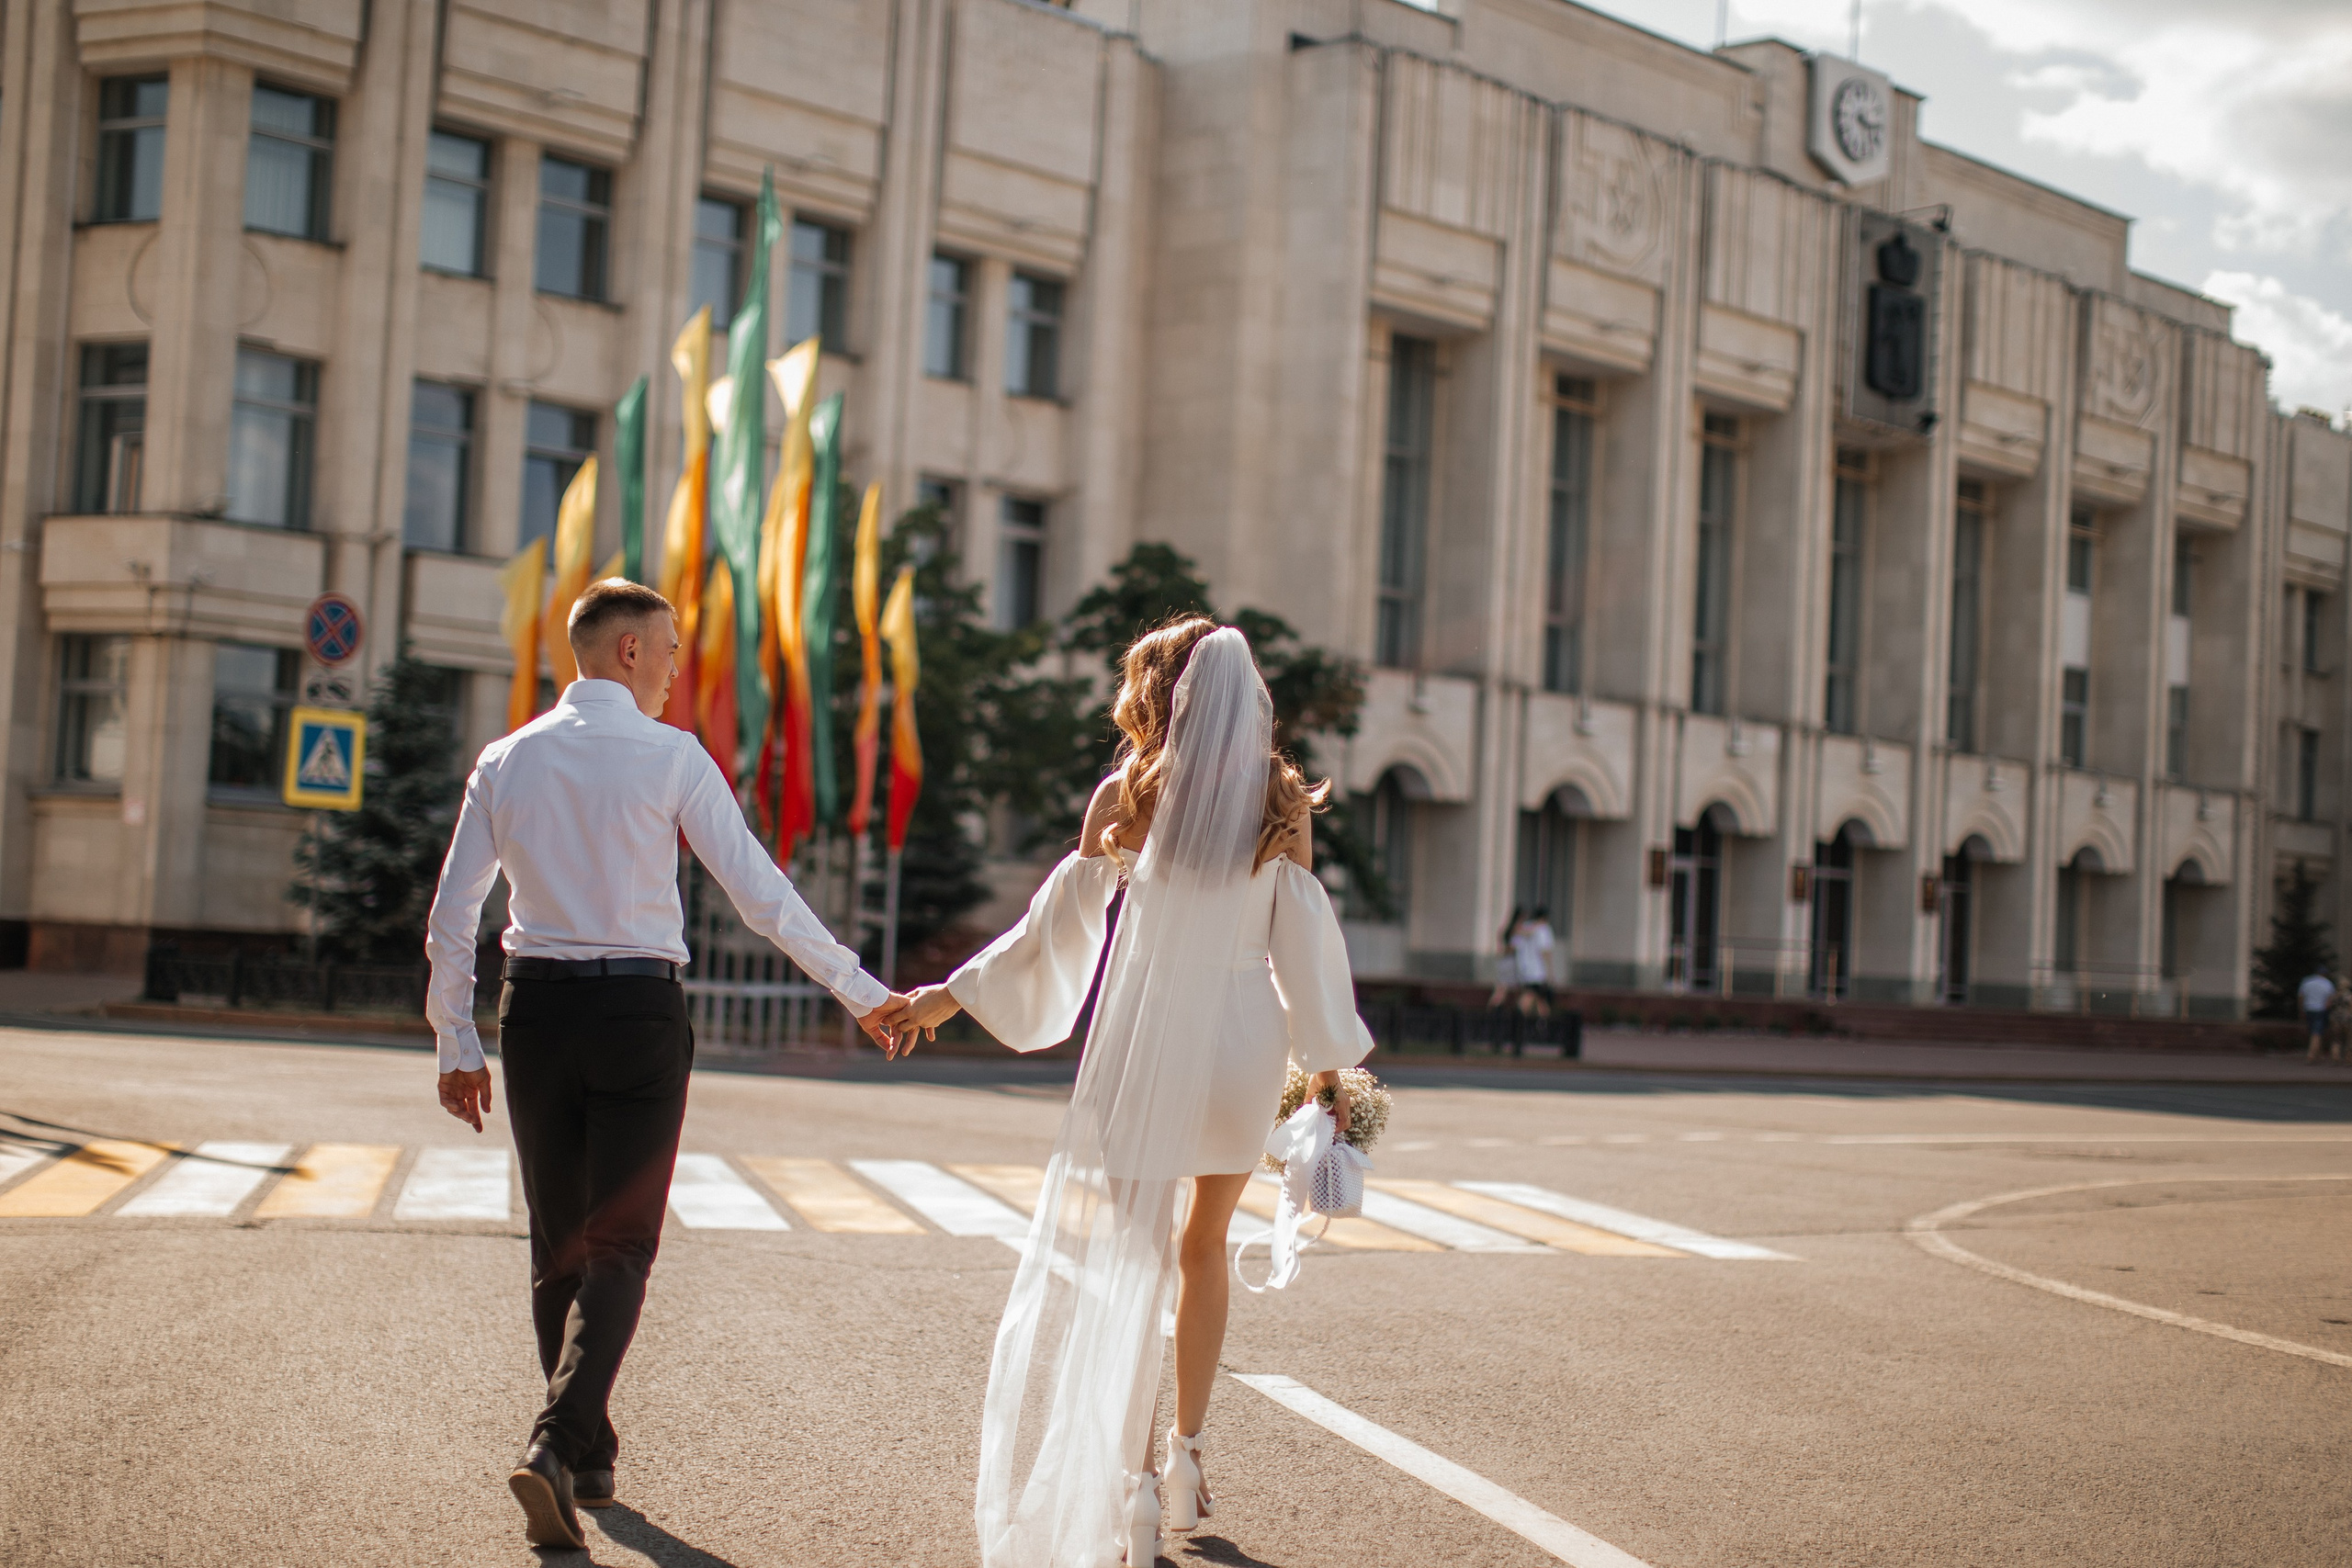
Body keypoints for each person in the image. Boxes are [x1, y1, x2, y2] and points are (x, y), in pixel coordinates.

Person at [876, 620, 1372, 1568]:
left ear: (1160, 692)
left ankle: (1134, 1486)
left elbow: (1054, 930)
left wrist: (949, 996)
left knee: (1136, 1260)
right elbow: (1303, 945)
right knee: (1203, 1247)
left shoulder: (1128, 793)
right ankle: (1187, 1456)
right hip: (1241, 1040)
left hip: (1145, 1035)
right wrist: (1325, 1067)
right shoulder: (1278, 797)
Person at [424, 580, 901, 1550]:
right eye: (672, 648)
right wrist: (858, 990)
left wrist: (455, 1042)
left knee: (558, 1241)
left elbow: (453, 912)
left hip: (537, 1013)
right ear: (630, 650)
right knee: (623, 1245)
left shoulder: (506, 759)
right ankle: (556, 1443)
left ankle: (587, 1453)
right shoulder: (672, 755)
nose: (679, 668)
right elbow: (760, 893)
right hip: (639, 1014)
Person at [1508, 906, 1556, 1017]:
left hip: (1524, 969)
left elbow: (1512, 947)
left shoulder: (1524, 927)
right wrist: (1550, 973)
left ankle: (1538, 1022)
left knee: (1537, 998)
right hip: (1538, 971)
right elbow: (1546, 952)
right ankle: (1522, 1020)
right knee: (1534, 997)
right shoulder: (1543, 929)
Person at [2299, 967, 2336, 1062]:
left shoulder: (2307, 981)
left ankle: (2318, 1054)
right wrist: (2327, 1008)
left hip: (2308, 1008)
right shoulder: (2327, 983)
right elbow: (2330, 999)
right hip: (2320, 1010)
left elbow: (2301, 996)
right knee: (2317, 1033)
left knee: (2312, 1031)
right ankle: (2311, 1055)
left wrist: (2301, 1008)